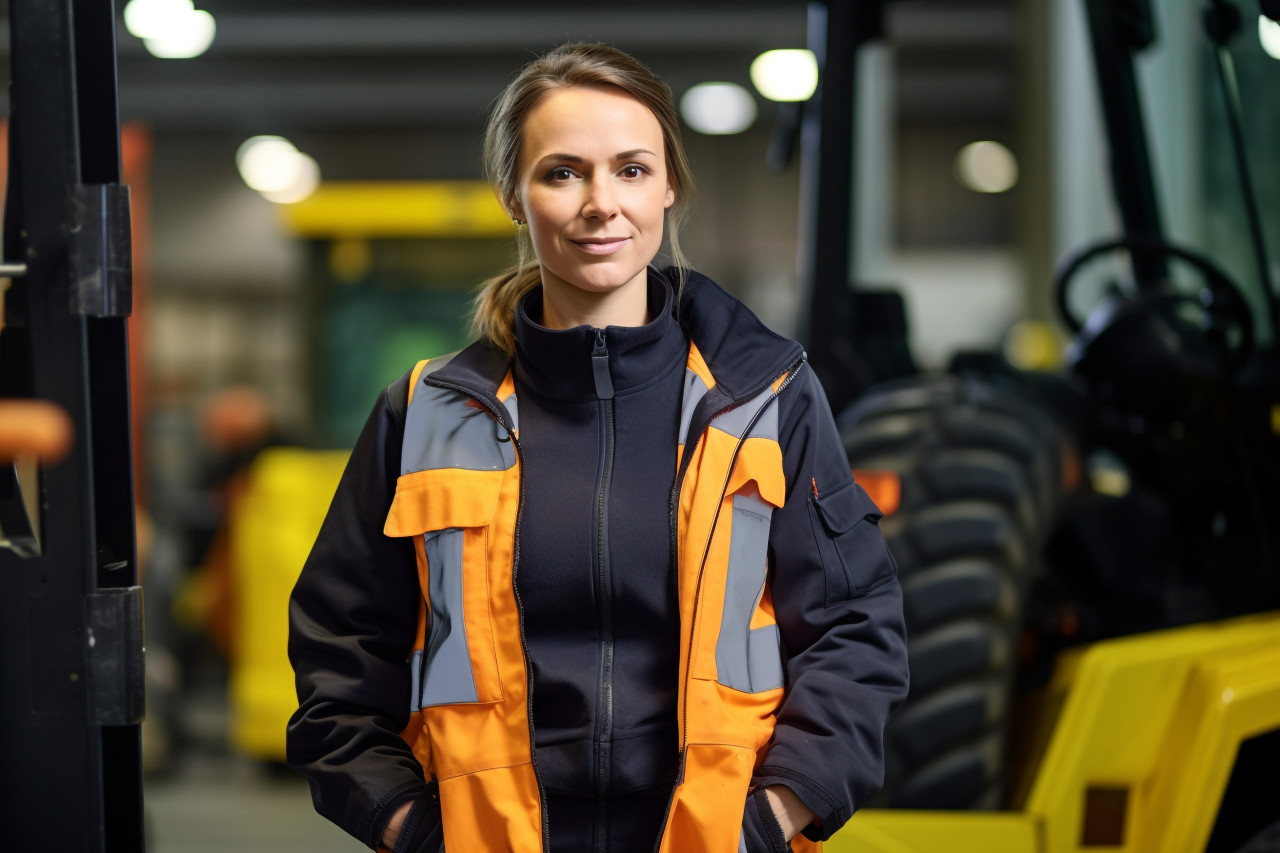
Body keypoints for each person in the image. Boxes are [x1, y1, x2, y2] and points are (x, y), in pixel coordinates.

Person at [287, 42, 908, 853]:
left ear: (671, 185)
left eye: (632, 170)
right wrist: (408, 825)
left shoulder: (767, 398)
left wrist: (776, 812)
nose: (600, 203)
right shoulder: (424, 413)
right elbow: (339, 654)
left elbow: (854, 626)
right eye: (564, 171)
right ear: (516, 195)